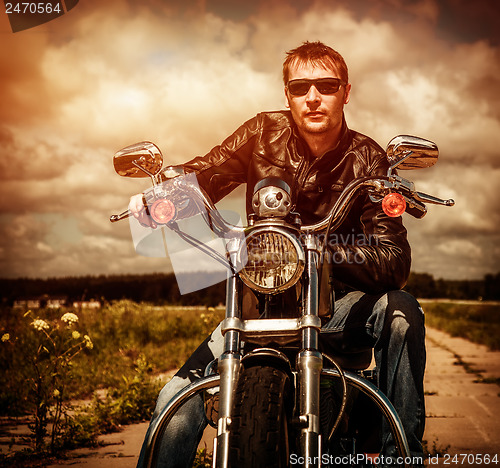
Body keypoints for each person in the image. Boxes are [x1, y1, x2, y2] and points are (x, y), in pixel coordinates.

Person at [132, 41, 426, 468]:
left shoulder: (368, 159)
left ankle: (403, 458)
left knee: (400, 312)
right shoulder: (262, 132)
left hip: (334, 306)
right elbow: (208, 173)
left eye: (325, 85)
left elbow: (393, 260)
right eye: (299, 87)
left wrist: (316, 252)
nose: (312, 97)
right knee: (173, 404)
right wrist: (165, 192)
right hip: (258, 305)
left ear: (346, 91)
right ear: (286, 93)